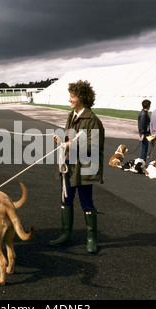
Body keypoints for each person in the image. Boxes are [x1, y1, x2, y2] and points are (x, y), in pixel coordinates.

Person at [49, 80, 105, 253]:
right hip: (68, 166)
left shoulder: (93, 120)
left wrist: (69, 145)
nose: (70, 100)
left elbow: (93, 146)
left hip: (84, 168)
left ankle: (91, 238)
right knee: (66, 199)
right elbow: (70, 137)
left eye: (72, 97)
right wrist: (61, 140)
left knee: (86, 202)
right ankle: (66, 234)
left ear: (81, 97)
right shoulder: (71, 116)